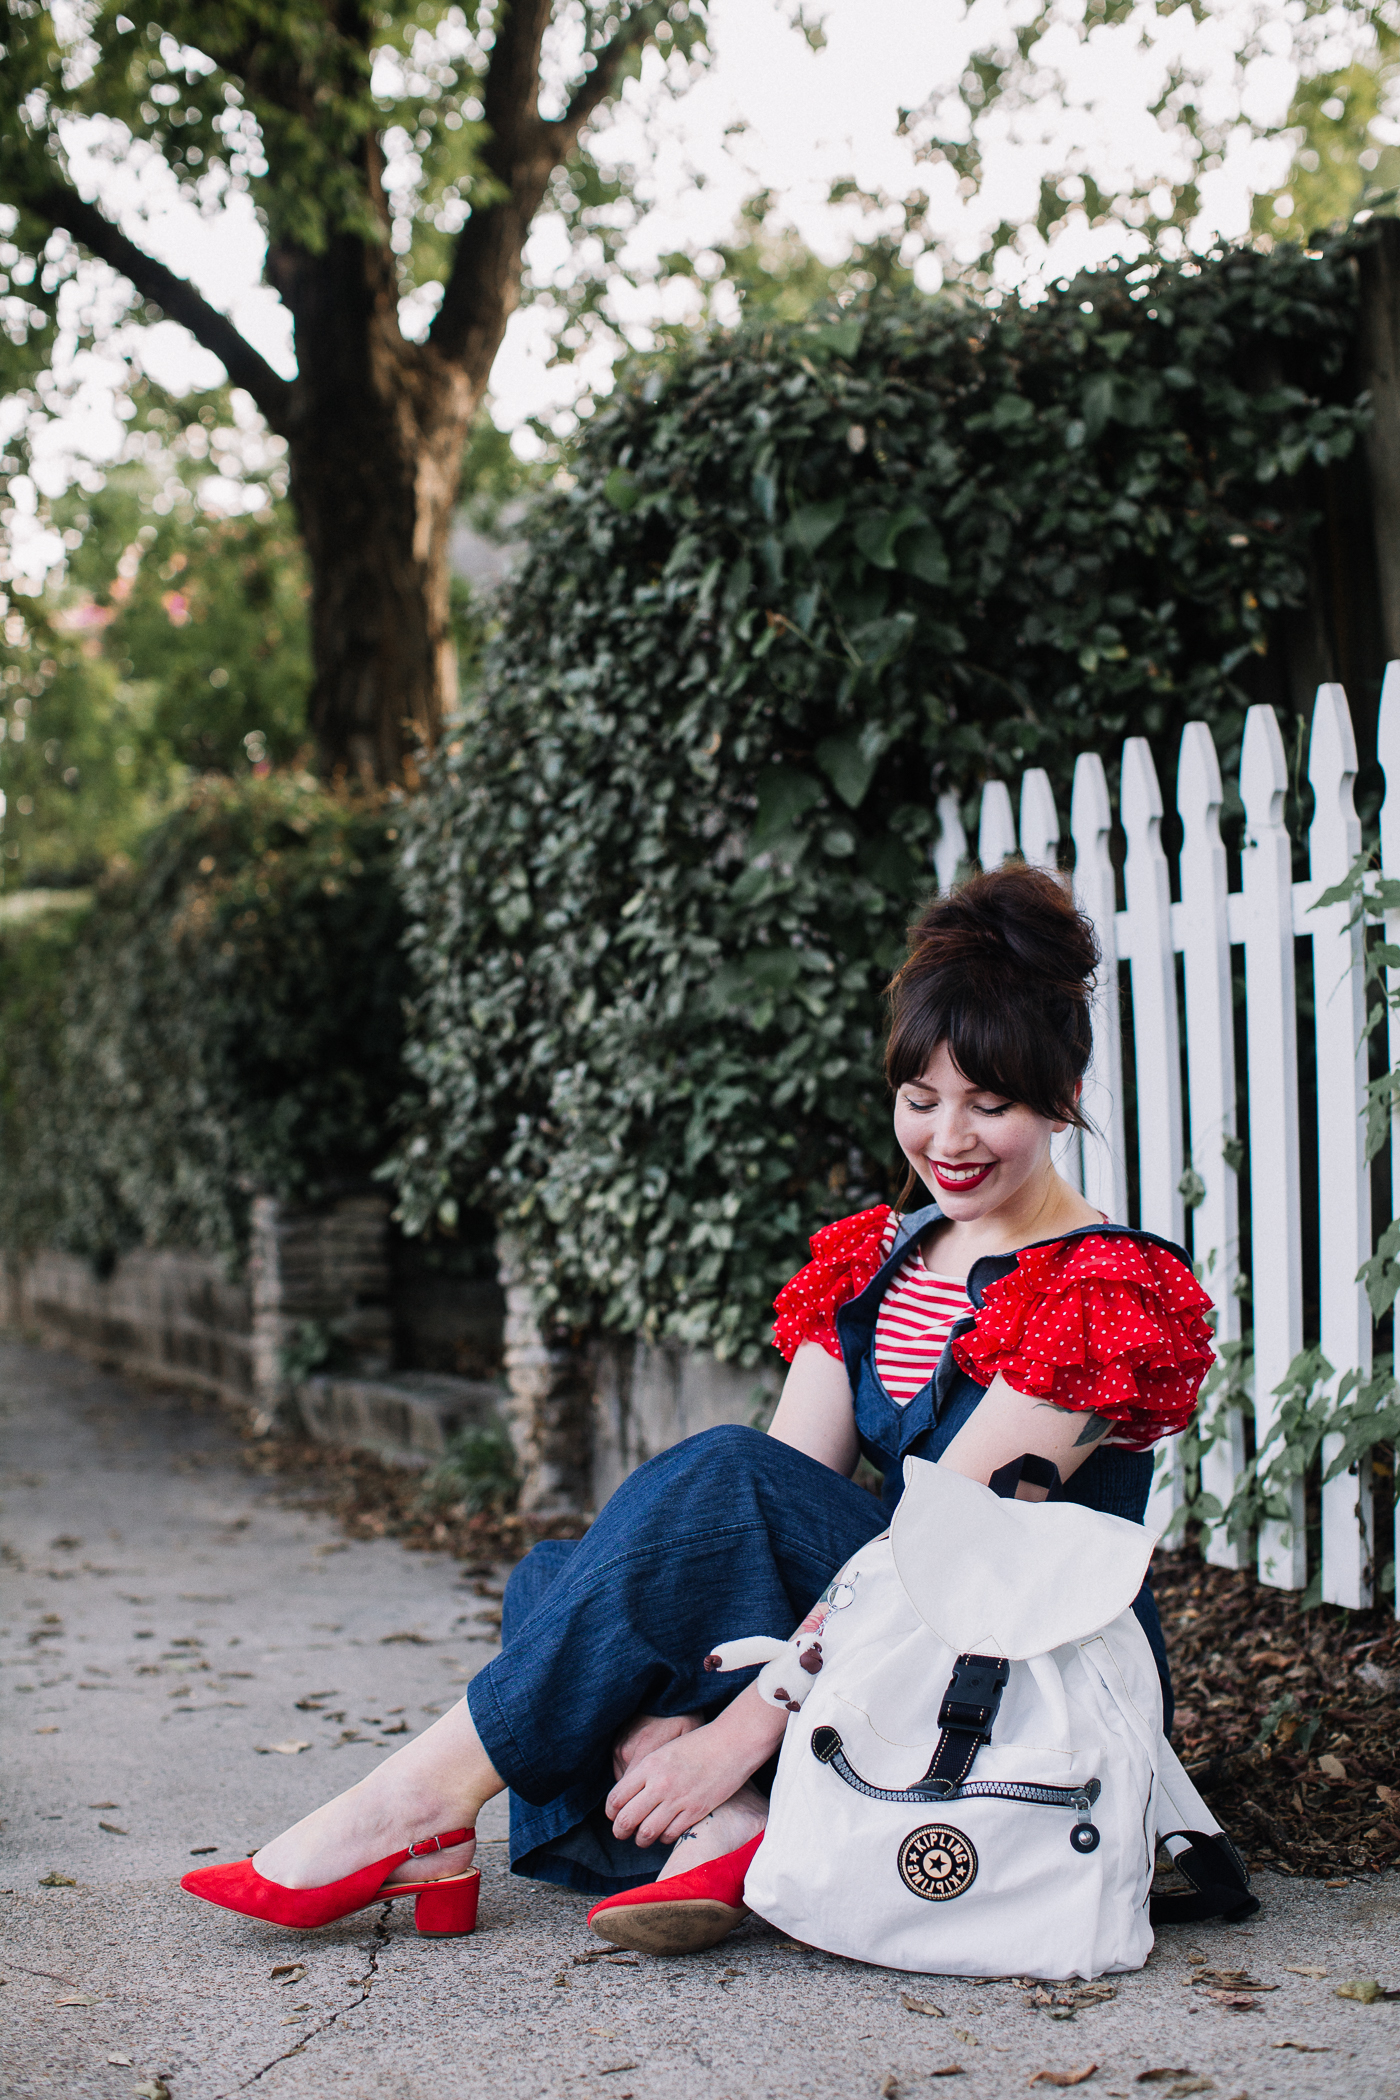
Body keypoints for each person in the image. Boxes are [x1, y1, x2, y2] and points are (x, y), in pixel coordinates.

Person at [181, 865, 1214, 1950]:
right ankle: (730, 1829)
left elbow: (940, 1556)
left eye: (988, 1105)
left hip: (1014, 1653)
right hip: (886, 1630)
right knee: (566, 1579)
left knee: (687, 1515)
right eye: (919, 1100)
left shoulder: (1103, 1289)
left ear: (1061, 1097)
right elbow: (767, 1515)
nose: (946, 1138)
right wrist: (704, 1693)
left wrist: (726, 1734)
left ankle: (426, 1804)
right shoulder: (869, 1260)